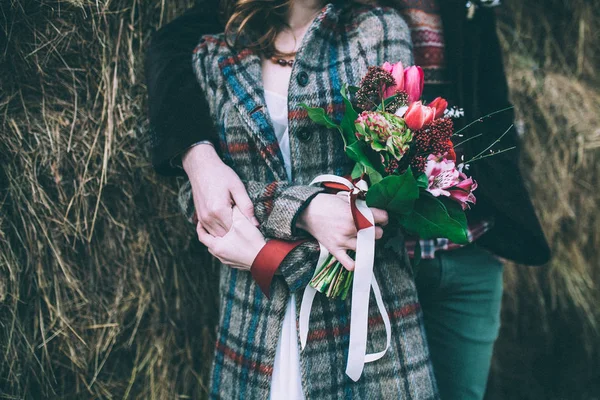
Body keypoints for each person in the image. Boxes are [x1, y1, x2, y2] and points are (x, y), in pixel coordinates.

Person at [145, 0, 551, 399]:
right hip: (251, 323)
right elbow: (206, 196)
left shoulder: (375, 30)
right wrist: (302, 210)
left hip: (369, 305)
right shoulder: (217, 49)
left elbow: (379, 199)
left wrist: (267, 255)